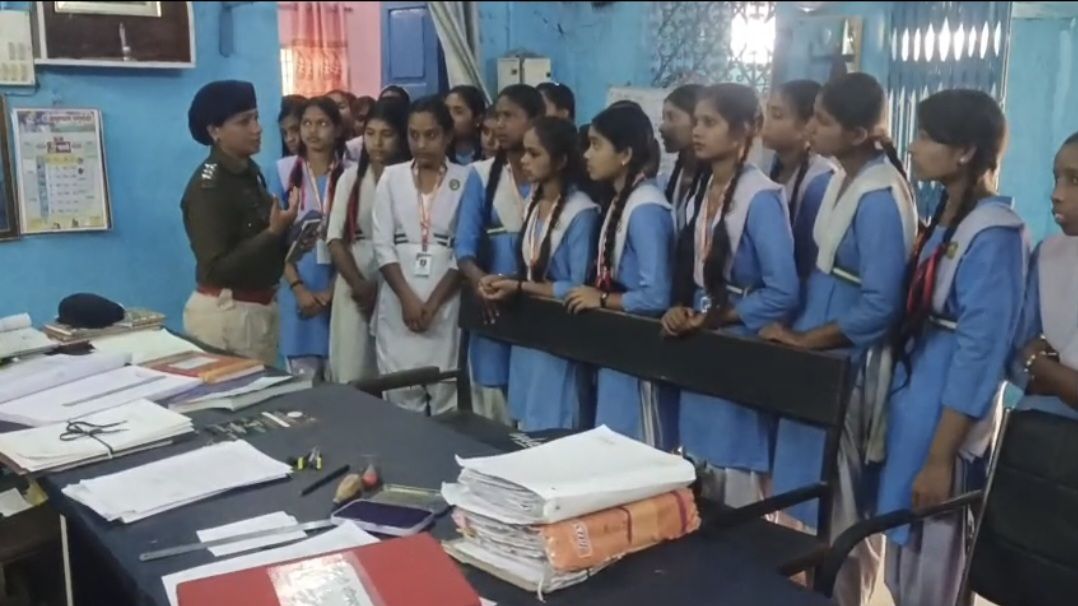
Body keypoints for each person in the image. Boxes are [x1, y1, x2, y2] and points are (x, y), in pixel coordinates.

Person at [762, 73, 917, 606]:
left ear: (857, 134)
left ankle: (845, 597)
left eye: (823, 121)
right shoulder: (838, 181)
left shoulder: (879, 197)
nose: (812, 129)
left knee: (844, 500)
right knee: (806, 491)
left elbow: (880, 304)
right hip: (818, 352)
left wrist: (810, 342)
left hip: (849, 361)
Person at [877, 90, 1028, 606]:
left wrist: (941, 457)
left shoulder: (995, 235)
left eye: (926, 137)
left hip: (945, 422)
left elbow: (980, 352)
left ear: (964, 152)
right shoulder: (949, 219)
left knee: (936, 575)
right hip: (915, 407)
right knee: (904, 571)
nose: (913, 147)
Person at [661, 83, 799, 507]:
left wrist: (721, 316)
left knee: (735, 474)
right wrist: (680, 310)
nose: (697, 131)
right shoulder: (702, 190)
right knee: (698, 467)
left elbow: (783, 291)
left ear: (742, 132)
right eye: (697, 122)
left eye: (710, 123)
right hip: (702, 338)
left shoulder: (761, 197)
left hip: (739, 346)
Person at [565, 103, 676, 449]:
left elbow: (656, 295)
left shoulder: (646, 207)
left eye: (596, 145)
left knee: (635, 449)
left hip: (639, 353)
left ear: (625, 155)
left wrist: (601, 298)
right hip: (618, 347)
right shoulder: (620, 200)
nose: (587, 154)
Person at [371, 96, 483, 414]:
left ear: (448, 136)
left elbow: (465, 247)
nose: (421, 144)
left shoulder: (466, 178)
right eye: (413, 135)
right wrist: (407, 299)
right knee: (399, 396)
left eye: (431, 135)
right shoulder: (391, 177)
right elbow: (382, 244)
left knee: (446, 394)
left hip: (444, 302)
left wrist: (432, 304)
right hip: (398, 300)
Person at [487, 117, 600, 430]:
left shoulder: (581, 212)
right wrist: (502, 280)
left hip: (561, 336)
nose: (524, 160)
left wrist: (520, 287)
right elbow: (529, 270)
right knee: (525, 424)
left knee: (554, 424)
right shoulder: (533, 203)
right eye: (525, 151)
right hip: (530, 331)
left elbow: (576, 286)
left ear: (561, 161)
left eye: (534, 154)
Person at [181, 80, 297, 365]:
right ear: (215, 131)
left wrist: (291, 235)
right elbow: (215, 267)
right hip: (227, 314)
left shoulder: (249, 173)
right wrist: (272, 234)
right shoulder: (210, 186)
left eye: (256, 118)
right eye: (244, 122)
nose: (257, 129)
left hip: (256, 310)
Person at [456, 85, 545, 424]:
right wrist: (481, 282)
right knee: (492, 409)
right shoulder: (480, 175)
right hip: (491, 304)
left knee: (534, 405)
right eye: (497, 116)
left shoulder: (551, 179)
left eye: (510, 116)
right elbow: (464, 246)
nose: (500, 125)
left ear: (535, 120)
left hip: (536, 306)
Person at [326, 98, 410, 384]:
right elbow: (335, 238)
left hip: (398, 278)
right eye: (370, 134)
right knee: (354, 368)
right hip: (355, 277)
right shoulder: (350, 179)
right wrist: (360, 286)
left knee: (393, 369)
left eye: (387, 134)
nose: (377, 143)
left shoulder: (409, 179)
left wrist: (380, 286)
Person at [267, 97, 348, 381]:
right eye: (306, 124)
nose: (313, 131)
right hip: (297, 290)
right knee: (303, 385)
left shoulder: (350, 173)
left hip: (340, 288)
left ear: (338, 129)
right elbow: (274, 239)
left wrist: (333, 290)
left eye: (322, 123)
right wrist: (298, 288)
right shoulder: (284, 172)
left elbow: (359, 240)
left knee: (344, 381)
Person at [1010, 132, 1078, 419]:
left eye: (1075, 180)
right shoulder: (1049, 254)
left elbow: (1030, 356)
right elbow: (1017, 353)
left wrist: (1039, 363)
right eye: (1056, 178)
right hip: (1041, 425)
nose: (1056, 194)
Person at [761, 80, 837, 279]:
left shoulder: (820, 182)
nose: (765, 122)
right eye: (767, 112)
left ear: (806, 126)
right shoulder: (770, 166)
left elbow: (808, 260)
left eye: (777, 115)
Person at [658, 84, 705, 231]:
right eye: (664, 118)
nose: (662, 127)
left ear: (697, 121)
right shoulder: (671, 177)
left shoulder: (714, 181)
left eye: (672, 117)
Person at [445, 85, 487, 165]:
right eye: (446, 110)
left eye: (458, 112)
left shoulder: (489, 151)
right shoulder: (439, 153)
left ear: (478, 119)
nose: (449, 117)